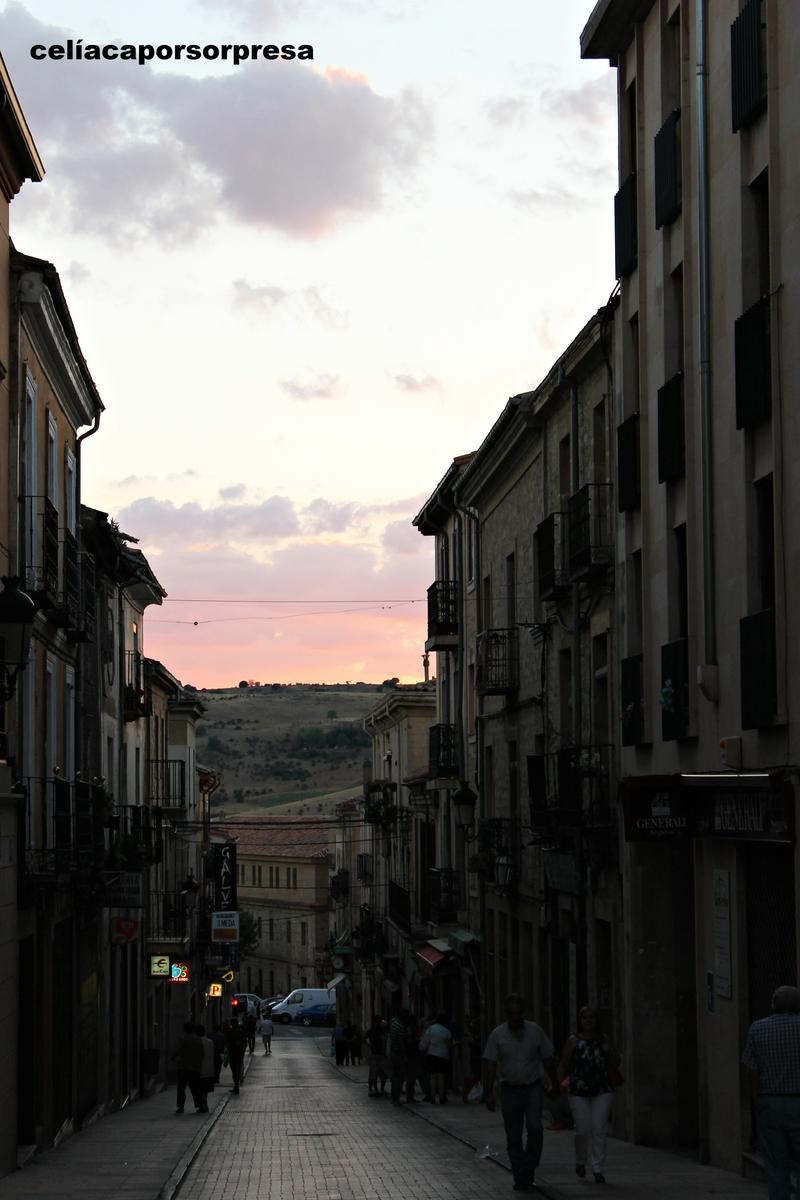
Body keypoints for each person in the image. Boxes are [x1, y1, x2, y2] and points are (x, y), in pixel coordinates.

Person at [484, 993, 559, 1191]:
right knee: (513, 1134)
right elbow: (490, 1063)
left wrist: (556, 1084)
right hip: (509, 1089)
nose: (515, 1018)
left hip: (533, 1086)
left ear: (523, 1013)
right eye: (511, 1014)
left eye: (518, 1013)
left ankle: (530, 1164)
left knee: (535, 1127)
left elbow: (548, 1057)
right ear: (506, 1014)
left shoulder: (535, 1031)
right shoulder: (497, 1035)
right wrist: (488, 1092)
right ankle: (519, 1173)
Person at [742, 984, 800, 1200]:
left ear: (773, 1005)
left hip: (770, 1102)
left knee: (776, 1165)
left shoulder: (757, 1028)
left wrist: (757, 1100)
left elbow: (751, 1070)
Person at [557, 1005, 620, 1184]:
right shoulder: (573, 1041)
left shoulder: (604, 1039)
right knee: (583, 1129)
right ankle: (580, 1160)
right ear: (580, 1021)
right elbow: (564, 1062)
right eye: (585, 1017)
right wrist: (560, 1083)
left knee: (599, 1128)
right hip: (578, 1089)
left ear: (597, 1020)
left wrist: (610, 1050)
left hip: (602, 1089)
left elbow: (616, 1061)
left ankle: (598, 1167)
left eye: (592, 1017)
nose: (588, 1021)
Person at [172, 1022, 204, 1114]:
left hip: (183, 1067)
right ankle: (200, 1106)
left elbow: (178, 1050)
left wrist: (173, 1057)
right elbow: (202, 1053)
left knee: (181, 1088)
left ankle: (181, 1106)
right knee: (195, 1088)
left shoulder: (183, 1039)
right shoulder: (198, 1040)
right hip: (195, 1067)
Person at [422, 1011, 453, 1104]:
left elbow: (426, 1041)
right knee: (441, 1077)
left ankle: (432, 1098)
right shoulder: (446, 1031)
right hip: (443, 1056)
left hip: (431, 1055)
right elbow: (449, 1045)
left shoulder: (430, 1029)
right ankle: (441, 1097)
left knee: (432, 1077)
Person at [389, 1009, 412, 1105]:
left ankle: (394, 1096)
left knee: (395, 1076)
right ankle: (396, 1098)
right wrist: (405, 1055)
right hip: (398, 1054)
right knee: (399, 1076)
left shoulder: (393, 1023)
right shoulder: (401, 1027)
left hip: (393, 1052)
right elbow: (401, 1043)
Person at [366, 1014, 389, 1097]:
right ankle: (378, 1089)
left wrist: (369, 1045)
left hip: (375, 1054)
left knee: (374, 1074)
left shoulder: (372, 1030)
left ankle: (373, 1090)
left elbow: (365, 1038)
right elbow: (384, 1041)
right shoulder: (380, 1030)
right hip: (379, 1055)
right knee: (382, 1074)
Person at [195, 1023, 215, 1113]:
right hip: (210, 1068)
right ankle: (204, 1104)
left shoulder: (198, 1042)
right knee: (205, 1089)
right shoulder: (210, 1041)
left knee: (200, 1088)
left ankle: (203, 1105)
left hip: (200, 1069)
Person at [225, 1017, 248, 1094]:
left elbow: (245, 1043)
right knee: (234, 1070)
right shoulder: (230, 1032)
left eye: (234, 1023)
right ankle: (236, 1085)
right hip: (232, 1054)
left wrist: (240, 1045)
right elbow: (227, 1042)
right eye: (232, 1023)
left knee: (236, 1070)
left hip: (238, 1054)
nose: (233, 1024)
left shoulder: (241, 1032)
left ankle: (236, 1085)